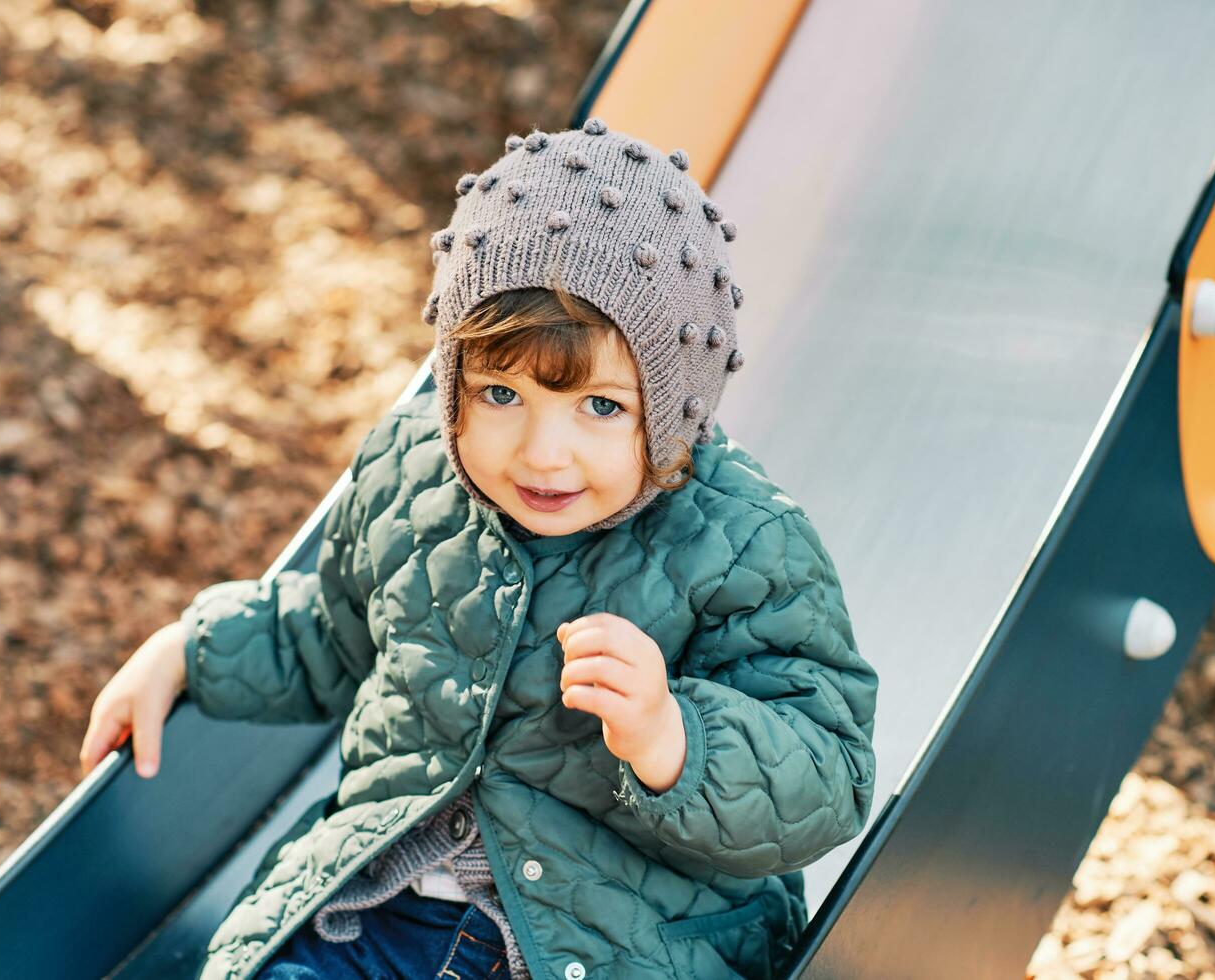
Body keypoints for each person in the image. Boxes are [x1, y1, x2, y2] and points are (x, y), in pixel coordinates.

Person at [79, 118, 879, 980]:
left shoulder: (742, 543)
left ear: (675, 404)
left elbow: (827, 771)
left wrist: (671, 737)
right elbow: (331, 630)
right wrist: (192, 649)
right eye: (500, 392)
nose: (541, 453)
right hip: (380, 911)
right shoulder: (414, 471)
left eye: (600, 408)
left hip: (609, 944)